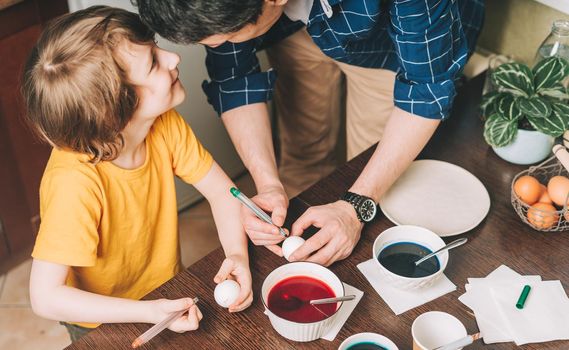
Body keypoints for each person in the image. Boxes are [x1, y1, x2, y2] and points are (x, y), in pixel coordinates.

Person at [135, 0, 484, 266]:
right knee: (301, 151)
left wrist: (356, 205)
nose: (220, 46)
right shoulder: (230, 9)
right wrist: (268, 182)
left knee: (365, 171)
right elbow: (235, 77)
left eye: (225, 38)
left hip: (393, 51)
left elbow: (426, 88)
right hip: (293, 27)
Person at [23, 6, 252, 342]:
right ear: (116, 113)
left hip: (164, 292)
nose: (173, 58)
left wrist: (236, 254)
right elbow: (45, 297)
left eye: (156, 47)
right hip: (99, 321)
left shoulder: (165, 124)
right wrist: (146, 312)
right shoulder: (74, 182)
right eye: (154, 64)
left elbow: (222, 193)